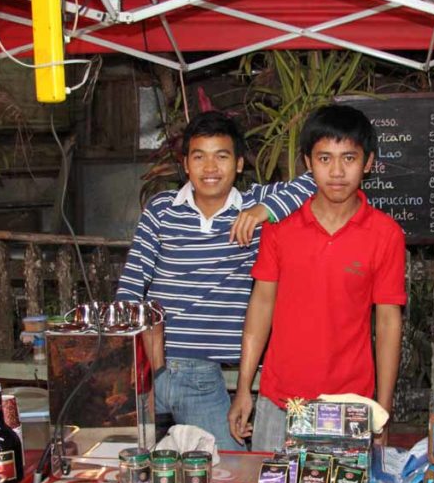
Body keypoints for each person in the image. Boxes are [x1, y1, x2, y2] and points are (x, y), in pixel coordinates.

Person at [115, 111, 314, 450]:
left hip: (202, 376)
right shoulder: (162, 209)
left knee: (227, 471)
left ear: (238, 164)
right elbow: (132, 282)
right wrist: (123, 357)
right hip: (149, 367)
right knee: (126, 466)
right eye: (199, 157)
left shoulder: (251, 206)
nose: (210, 168)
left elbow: (317, 180)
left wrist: (261, 212)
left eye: (221, 156)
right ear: (186, 164)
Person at [228, 104, 406, 452]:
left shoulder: (385, 234)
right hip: (280, 402)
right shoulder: (280, 227)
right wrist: (244, 390)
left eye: (349, 158)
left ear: (368, 163)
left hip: (349, 405)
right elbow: (261, 304)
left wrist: (383, 406)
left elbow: (388, 321)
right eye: (324, 158)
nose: (337, 171)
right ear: (308, 163)